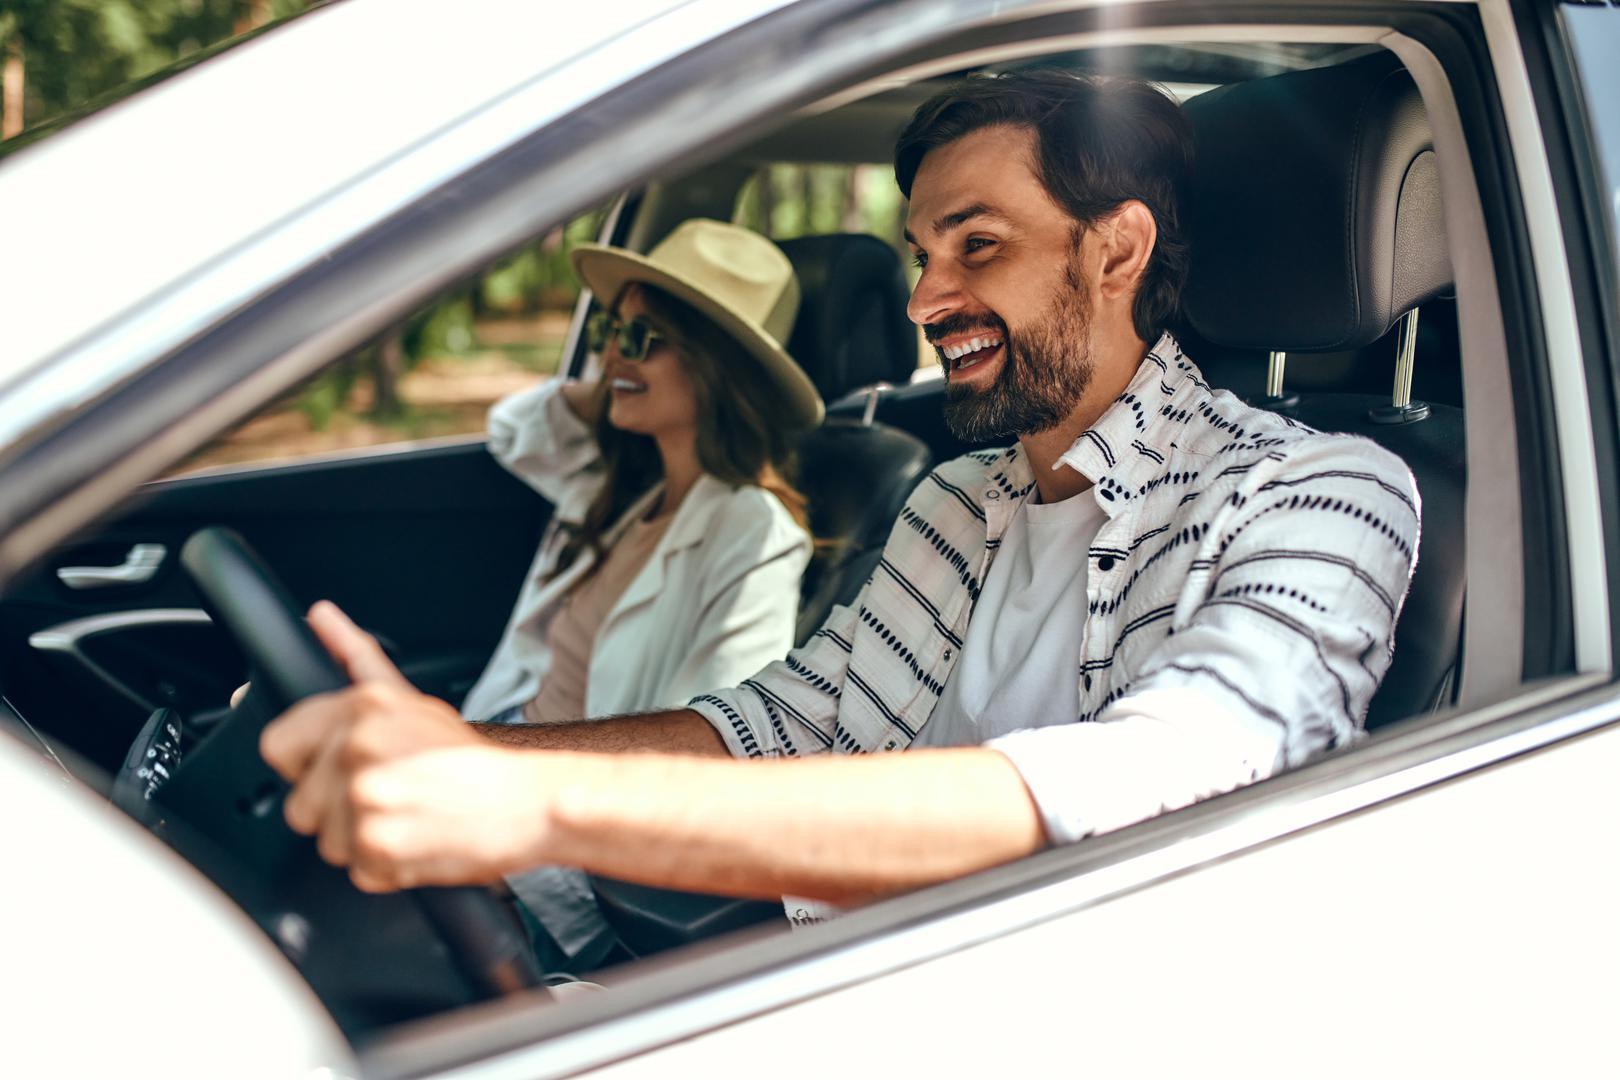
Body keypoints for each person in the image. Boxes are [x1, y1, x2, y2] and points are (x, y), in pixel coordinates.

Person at [260, 72, 1420, 922]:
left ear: (1115, 255)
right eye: (922, 253)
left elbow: (1157, 783)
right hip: (837, 978)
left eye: (976, 246)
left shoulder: (1323, 493)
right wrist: (475, 761)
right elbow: (775, 728)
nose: (926, 299)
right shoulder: (959, 503)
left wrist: (543, 808)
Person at [459, 219, 823, 961]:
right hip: (497, 757)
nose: (613, 354)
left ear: (716, 365)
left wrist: (510, 857)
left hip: (550, 842)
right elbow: (513, 430)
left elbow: (713, 750)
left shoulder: (752, 532)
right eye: (609, 331)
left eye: (643, 337)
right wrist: (616, 377)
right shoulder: (625, 487)